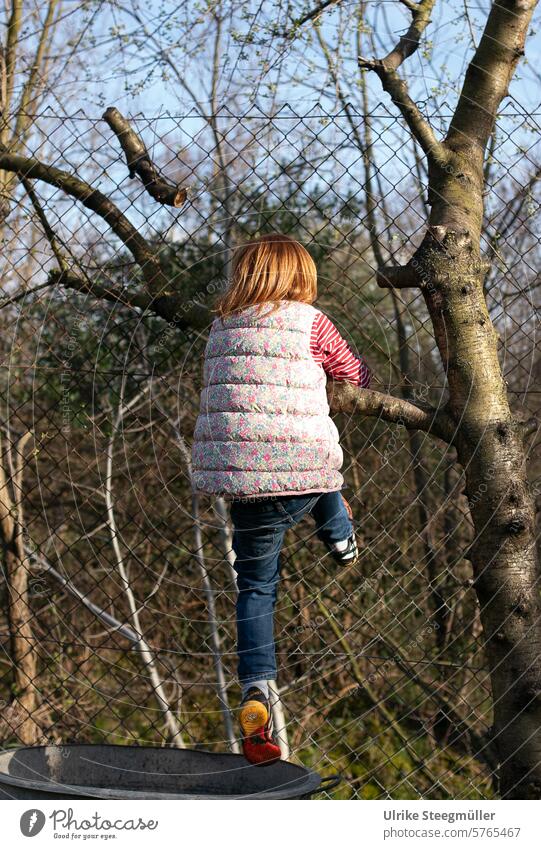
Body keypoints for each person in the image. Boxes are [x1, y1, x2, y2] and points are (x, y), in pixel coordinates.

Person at [191, 233, 371, 764]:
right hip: (302, 469)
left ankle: (257, 689)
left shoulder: (220, 327)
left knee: (255, 587)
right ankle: (340, 537)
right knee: (321, 472)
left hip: (245, 485)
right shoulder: (311, 322)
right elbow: (351, 372)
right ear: (301, 278)